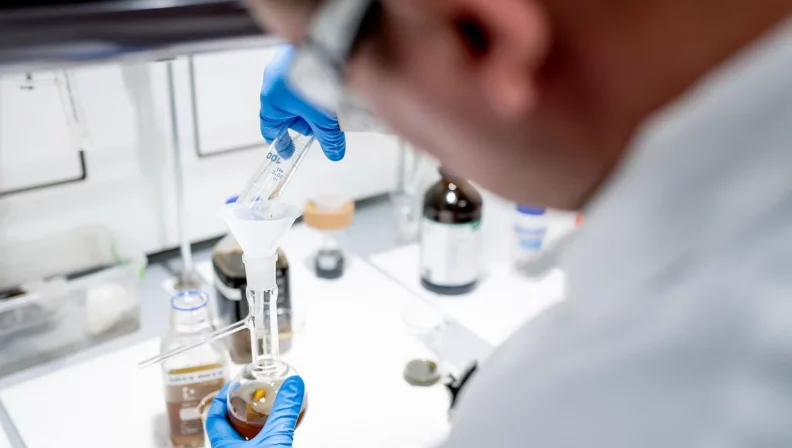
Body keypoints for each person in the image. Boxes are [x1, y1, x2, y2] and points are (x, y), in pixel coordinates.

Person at [209, 0, 792, 446]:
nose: (352, 102)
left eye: (326, 70)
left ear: (483, 34)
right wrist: (369, 71)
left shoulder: (608, 407)